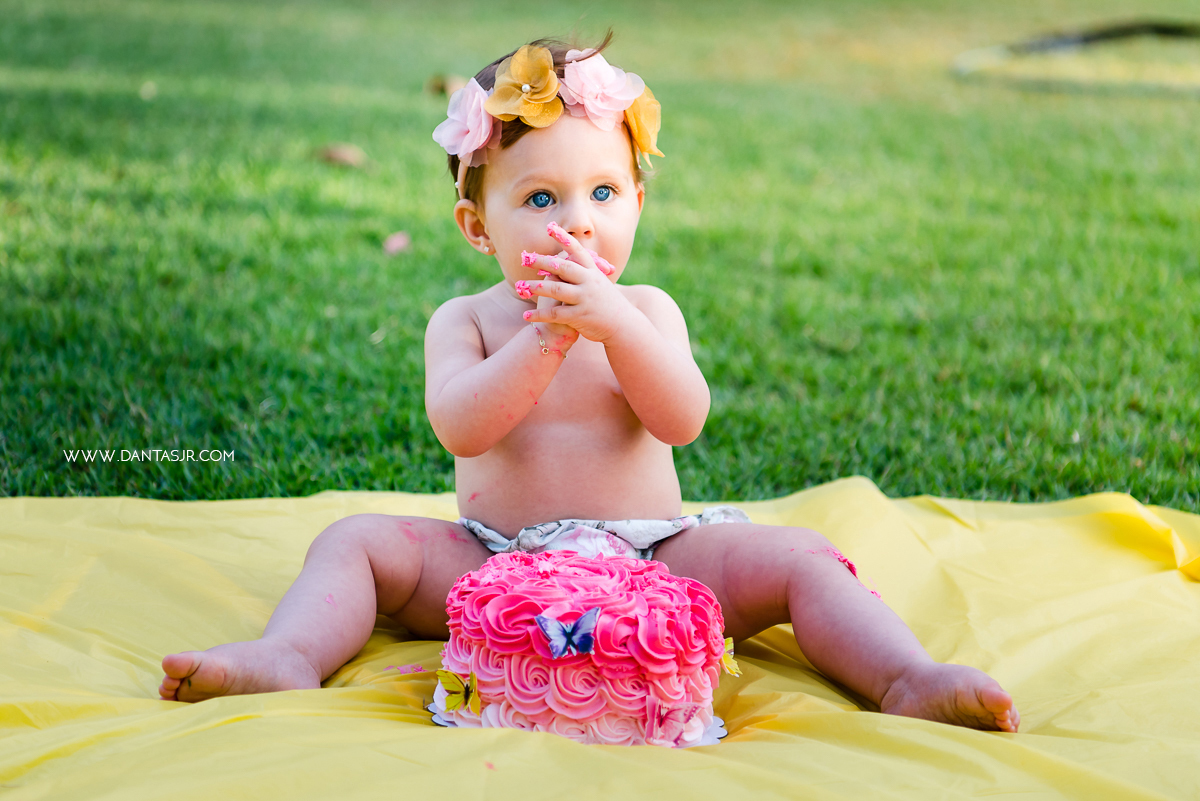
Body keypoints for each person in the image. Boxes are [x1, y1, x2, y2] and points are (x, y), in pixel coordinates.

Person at [159, 35, 1019, 734]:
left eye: (604, 191)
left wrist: (614, 329)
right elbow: (462, 428)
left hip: (657, 555)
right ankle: (291, 654)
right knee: (353, 541)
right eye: (539, 198)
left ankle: (905, 674)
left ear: (636, 205)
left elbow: (682, 418)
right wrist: (542, 342)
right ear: (476, 225)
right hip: (497, 559)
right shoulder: (467, 321)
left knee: (801, 558)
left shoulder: (647, 308)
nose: (577, 220)